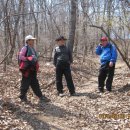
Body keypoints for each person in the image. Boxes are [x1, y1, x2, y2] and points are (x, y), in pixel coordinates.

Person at [19, 35, 50, 102]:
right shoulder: (25, 48)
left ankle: (40, 96)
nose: (33, 41)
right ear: (28, 41)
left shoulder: (33, 49)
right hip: (27, 69)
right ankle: (22, 97)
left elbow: (35, 59)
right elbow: (20, 57)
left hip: (33, 69)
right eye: (31, 40)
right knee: (25, 83)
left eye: (33, 40)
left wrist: (37, 68)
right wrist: (27, 58)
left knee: (35, 83)